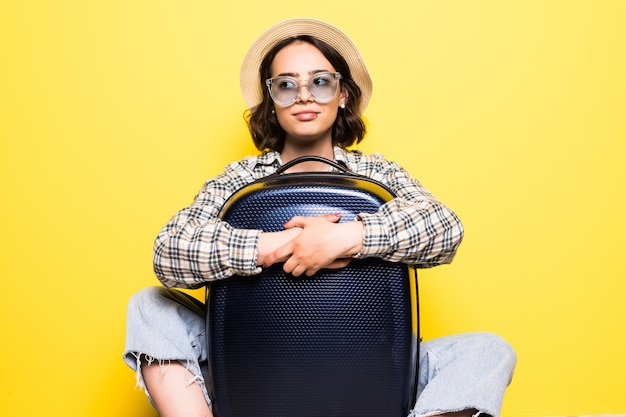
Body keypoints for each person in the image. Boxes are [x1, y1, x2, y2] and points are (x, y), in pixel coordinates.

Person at [124, 18, 516, 417]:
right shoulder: (240, 178)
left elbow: (444, 229)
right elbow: (169, 251)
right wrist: (276, 245)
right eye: (287, 85)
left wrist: (345, 238)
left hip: (373, 361)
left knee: (489, 352)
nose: (304, 96)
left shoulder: (378, 174)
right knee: (149, 305)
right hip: (253, 361)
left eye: (320, 82)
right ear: (271, 99)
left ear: (343, 93)